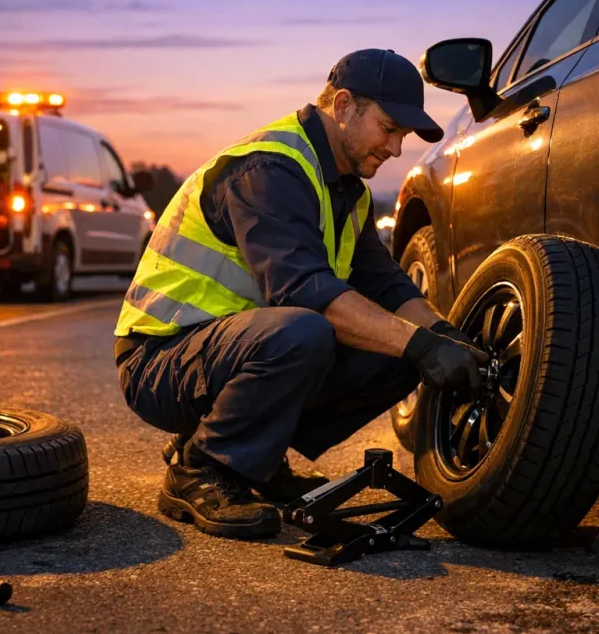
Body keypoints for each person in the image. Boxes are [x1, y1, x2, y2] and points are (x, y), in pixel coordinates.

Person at [113, 48, 488, 540]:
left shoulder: (348, 190)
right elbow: (303, 289)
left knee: (400, 349)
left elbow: (387, 284)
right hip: (160, 358)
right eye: (389, 128)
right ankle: (202, 468)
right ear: (344, 105)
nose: (396, 148)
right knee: (308, 328)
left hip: (231, 351)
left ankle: (255, 456)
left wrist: (442, 338)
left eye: (403, 136)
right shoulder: (270, 168)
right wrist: (421, 344)